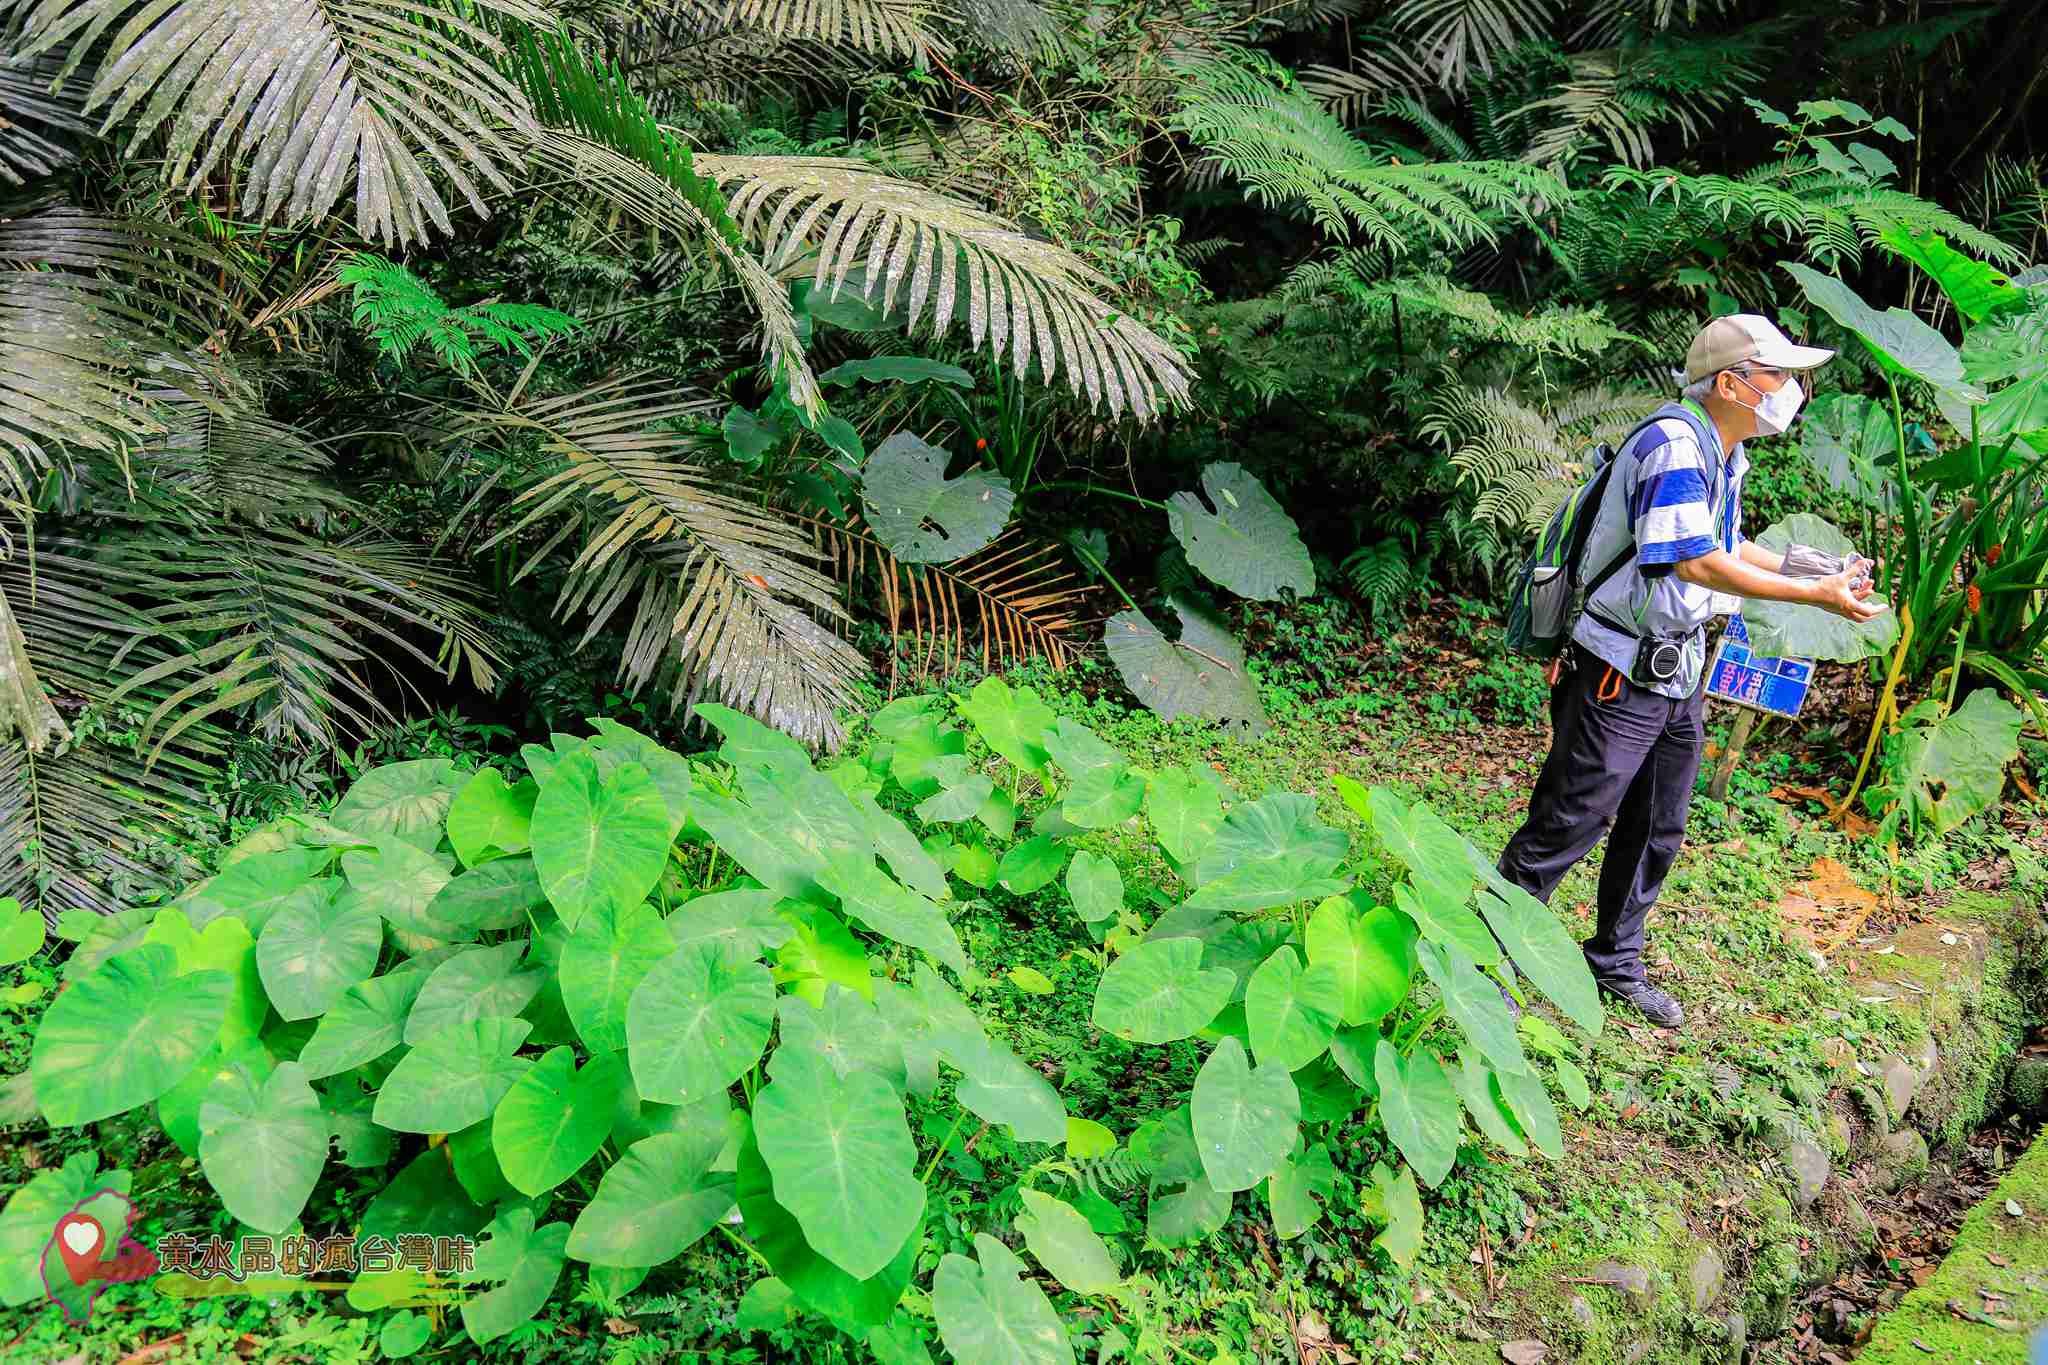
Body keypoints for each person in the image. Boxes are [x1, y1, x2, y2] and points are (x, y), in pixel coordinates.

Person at [1496, 314, 1889, 1029]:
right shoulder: (1675, 441)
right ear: (1733, 382)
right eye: (1779, 375)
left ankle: (1614, 959)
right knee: (1569, 820)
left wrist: (1822, 569)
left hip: (1675, 673)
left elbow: (1727, 543)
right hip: (1619, 670)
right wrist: (1815, 597)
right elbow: (1693, 561)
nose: (1793, 389)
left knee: (1657, 824)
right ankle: (1486, 959)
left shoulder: (1721, 450)